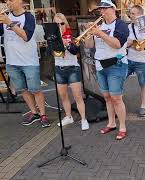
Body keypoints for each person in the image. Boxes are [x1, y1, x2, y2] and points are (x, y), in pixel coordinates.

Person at [0, 0, 50, 128]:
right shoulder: (5, 16)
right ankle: (34, 112)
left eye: (11, 0)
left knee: (35, 90)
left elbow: (26, 36)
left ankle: (43, 115)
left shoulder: (28, 17)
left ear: (20, 1)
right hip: (12, 61)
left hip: (28, 61)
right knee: (23, 89)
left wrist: (9, 23)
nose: (8, 3)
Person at [84, 0, 129, 140]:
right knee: (107, 98)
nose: (102, 12)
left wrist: (100, 33)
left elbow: (117, 44)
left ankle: (122, 126)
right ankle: (111, 123)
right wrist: (90, 34)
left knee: (116, 98)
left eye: (105, 9)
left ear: (113, 8)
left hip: (116, 64)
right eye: (100, 9)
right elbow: (89, 45)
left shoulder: (121, 25)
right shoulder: (100, 25)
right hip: (100, 65)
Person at [53, 13, 89, 131]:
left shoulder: (70, 34)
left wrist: (67, 44)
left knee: (77, 96)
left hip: (72, 68)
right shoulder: (52, 36)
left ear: (65, 23)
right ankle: (68, 116)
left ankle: (83, 119)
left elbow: (75, 51)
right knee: (63, 96)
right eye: (56, 24)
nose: (59, 26)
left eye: (61, 23)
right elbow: (49, 53)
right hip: (59, 68)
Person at [127, 5, 145, 117]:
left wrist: (133, 42)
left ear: (141, 14)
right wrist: (133, 43)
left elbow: (143, 45)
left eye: (134, 13)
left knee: (143, 83)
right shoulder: (129, 27)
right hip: (129, 59)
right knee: (120, 79)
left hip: (142, 60)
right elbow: (126, 44)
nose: (131, 16)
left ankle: (143, 106)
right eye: (131, 13)